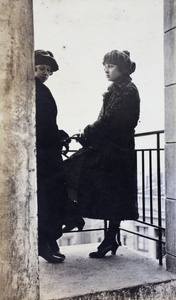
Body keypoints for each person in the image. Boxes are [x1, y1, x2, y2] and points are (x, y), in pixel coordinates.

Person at [64, 49, 140, 258]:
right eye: (104, 66)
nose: (106, 70)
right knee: (111, 194)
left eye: (111, 66)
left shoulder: (128, 91)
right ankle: (108, 238)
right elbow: (106, 122)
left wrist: (88, 132)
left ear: (122, 68)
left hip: (116, 153)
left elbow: (111, 122)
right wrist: (89, 133)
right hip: (112, 151)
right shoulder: (116, 89)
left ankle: (82, 221)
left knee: (74, 172)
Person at [35, 50, 84, 263]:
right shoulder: (34, 90)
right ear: (31, 67)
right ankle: (44, 242)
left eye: (48, 70)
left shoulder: (40, 89)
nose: (45, 73)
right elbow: (40, 125)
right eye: (41, 68)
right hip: (42, 154)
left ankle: (49, 240)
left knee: (52, 195)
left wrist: (59, 134)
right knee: (47, 197)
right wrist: (56, 137)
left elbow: (47, 123)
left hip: (47, 151)